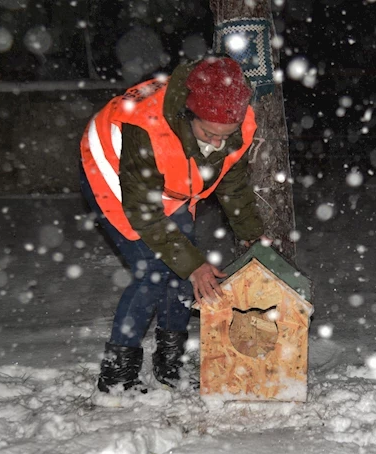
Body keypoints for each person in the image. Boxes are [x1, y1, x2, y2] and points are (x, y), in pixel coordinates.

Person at [79, 56, 265, 393]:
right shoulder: (146, 126)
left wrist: (253, 235)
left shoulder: (239, 123)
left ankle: (170, 366)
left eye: (226, 135)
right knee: (153, 269)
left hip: (167, 182)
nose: (218, 144)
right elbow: (144, 212)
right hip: (111, 168)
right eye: (209, 133)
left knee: (181, 269)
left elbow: (232, 183)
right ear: (188, 115)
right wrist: (194, 265)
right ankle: (117, 378)